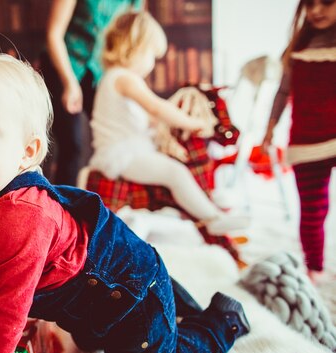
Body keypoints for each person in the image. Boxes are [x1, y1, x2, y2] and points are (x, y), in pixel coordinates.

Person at [0, 51, 250, 353]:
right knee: (94, 339)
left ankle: (224, 319)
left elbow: (3, 313)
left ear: (27, 153)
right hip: (99, 300)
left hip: (132, 294)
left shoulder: (19, 216)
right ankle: (178, 306)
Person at [88, 10, 250, 236]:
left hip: (127, 150)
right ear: (135, 47)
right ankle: (212, 218)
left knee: (173, 169)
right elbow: (156, 108)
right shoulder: (124, 78)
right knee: (175, 172)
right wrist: (191, 123)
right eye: (152, 56)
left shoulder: (113, 78)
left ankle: (205, 210)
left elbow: (148, 119)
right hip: (122, 156)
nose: (153, 64)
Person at [261, 0, 336, 282]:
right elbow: (283, 92)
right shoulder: (298, 47)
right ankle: (314, 268)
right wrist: (270, 128)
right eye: (310, 4)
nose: (316, 10)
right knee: (313, 210)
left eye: (326, 3)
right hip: (306, 141)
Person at [41, 0, 142, 185]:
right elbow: (53, 34)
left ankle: (109, 199)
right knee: (73, 145)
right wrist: (69, 82)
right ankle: (63, 207)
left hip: (100, 71)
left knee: (113, 137)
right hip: (63, 65)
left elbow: (135, 35)